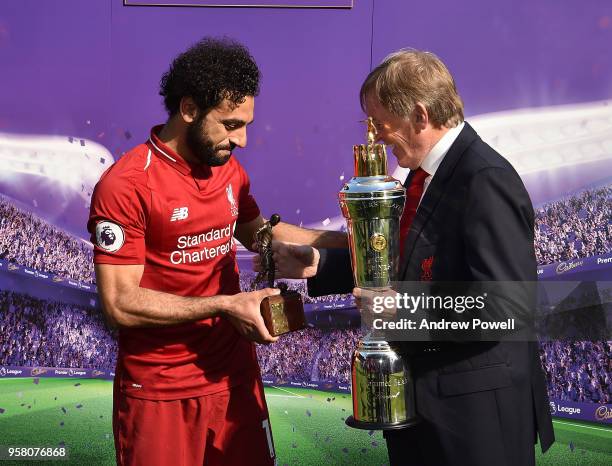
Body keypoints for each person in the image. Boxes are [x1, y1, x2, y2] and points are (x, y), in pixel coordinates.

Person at [271, 49, 555, 465]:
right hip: (433, 411)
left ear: (420, 115)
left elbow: (509, 305)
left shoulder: (483, 180)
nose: (375, 136)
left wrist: (402, 308)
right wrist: (320, 265)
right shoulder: (425, 179)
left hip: (473, 424)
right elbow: (415, 262)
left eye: (380, 122)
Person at [88, 37, 345, 466]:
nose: (242, 139)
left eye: (246, 124)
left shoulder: (230, 171)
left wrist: (351, 243)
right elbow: (119, 304)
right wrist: (226, 305)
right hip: (160, 391)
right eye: (230, 124)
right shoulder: (125, 185)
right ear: (188, 110)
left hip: (234, 379)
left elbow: (261, 234)